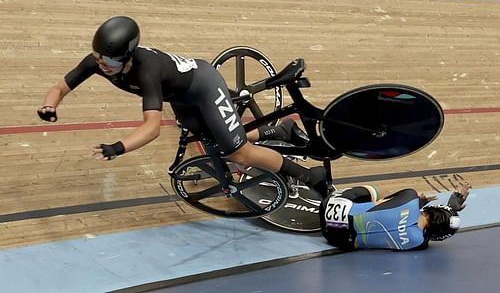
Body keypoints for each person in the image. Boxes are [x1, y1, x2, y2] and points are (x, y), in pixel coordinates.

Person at [37, 15, 327, 193]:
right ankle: (280, 132)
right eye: (98, 57)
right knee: (213, 141)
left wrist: (118, 147)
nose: (102, 65)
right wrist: (50, 105)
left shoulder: (145, 71)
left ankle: (305, 175)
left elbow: (152, 128)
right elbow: (61, 86)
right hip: (180, 95)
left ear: (128, 55)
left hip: (203, 85)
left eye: (110, 60)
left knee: (238, 153)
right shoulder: (98, 62)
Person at [319, 181, 471, 251]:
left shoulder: (410, 197)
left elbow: (386, 201)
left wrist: (420, 201)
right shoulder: (418, 243)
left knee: (382, 196)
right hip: (337, 240)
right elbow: (434, 229)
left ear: (433, 207)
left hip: (330, 206)